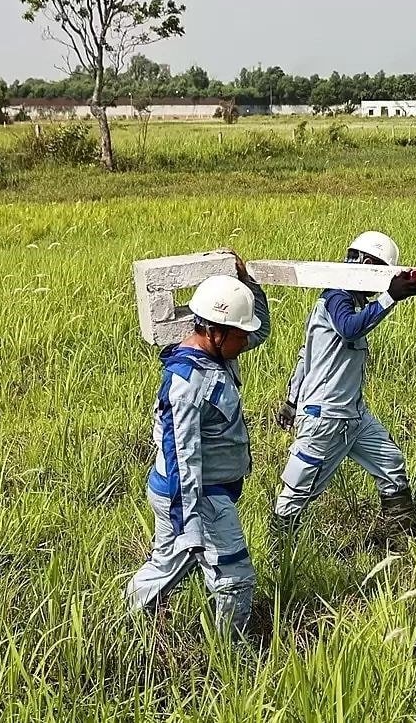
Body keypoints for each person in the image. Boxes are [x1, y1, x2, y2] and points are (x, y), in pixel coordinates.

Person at [124, 257, 270, 638]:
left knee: (169, 564)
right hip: (197, 495)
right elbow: (182, 458)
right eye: (240, 334)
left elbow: (261, 330)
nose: (247, 342)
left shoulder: (218, 351)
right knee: (234, 576)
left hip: (199, 491)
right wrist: (190, 526)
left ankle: (128, 617)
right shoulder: (187, 383)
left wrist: (247, 283)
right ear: (214, 332)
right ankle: (231, 655)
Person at [272, 231, 416, 536]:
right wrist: (390, 295)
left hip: (354, 414)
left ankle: (401, 541)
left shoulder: (352, 301)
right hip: (325, 417)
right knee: (299, 489)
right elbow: (350, 330)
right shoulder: (336, 297)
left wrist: (291, 401)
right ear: (368, 264)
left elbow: (307, 355)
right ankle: (281, 551)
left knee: (391, 462)